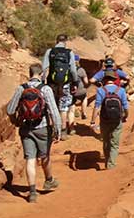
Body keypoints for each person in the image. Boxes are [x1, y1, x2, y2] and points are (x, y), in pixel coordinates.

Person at [6, 63, 61, 203]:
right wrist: (58, 129)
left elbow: (10, 110)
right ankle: (49, 180)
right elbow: (54, 111)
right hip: (42, 128)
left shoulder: (21, 88)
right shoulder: (46, 89)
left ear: (29, 73)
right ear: (41, 74)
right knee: (45, 156)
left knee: (30, 159)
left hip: (26, 128)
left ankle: (32, 192)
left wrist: (16, 122)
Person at [90, 71, 129, 170]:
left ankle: (107, 160)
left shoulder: (101, 90)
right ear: (114, 80)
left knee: (106, 141)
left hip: (104, 120)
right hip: (117, 120)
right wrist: (125, 116)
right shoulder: (121, 90)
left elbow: (97, 106)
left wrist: (93, 121)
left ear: (105, 80)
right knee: (115, 143)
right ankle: (111, 165)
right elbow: (125, 106)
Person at [42, 34, 78, 140]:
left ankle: (53, 131)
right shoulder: (69, 52)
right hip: (65, 84)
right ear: (65, 42)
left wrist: (43, 81)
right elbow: (73, 70)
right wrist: (75, 82)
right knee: (63, 108)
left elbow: (44, 68)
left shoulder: (50, 51)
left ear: (56, 41)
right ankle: (63, 132)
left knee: (52, 106)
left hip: (51, 84)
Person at [73, 55, 90, 120]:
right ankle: (84, 113)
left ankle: (73, 112)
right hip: (80, 90)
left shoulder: (68, 69)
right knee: (84, 98)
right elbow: (86, 82)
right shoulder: (81, 70)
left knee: (72, 102)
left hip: (70, 90)